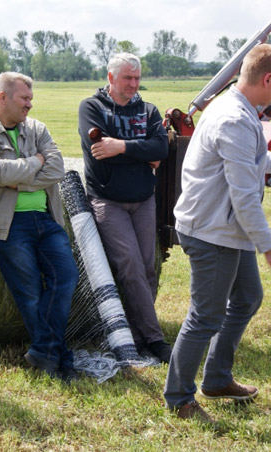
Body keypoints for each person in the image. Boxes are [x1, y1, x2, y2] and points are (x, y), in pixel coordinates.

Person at [163, 44, 271, 421]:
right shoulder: (234, 118)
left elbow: (253, 158)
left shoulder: (237, 108)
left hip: (224, 227)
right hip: (212, 231)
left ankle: (216, 378)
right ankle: (179, 398)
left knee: (247, 297)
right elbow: (244, 196)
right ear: (266, 79)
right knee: (206, 315)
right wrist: (270, 249)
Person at [0, 72, 79, 382]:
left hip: (45, 218)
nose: (30, 103)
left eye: (30, 97)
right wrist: (34, 163)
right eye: (24, 98)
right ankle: (60, 357)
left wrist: (20, 182)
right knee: (29, 291)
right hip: (5, 224)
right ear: (3, 97)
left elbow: (56, 168)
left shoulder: (37, 128)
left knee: (66, 275)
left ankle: (44, 351)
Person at [78, 53, 171, 363]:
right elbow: (97, 153)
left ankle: (136, 332)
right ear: (111, 78)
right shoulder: (92, 108)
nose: (133, 84)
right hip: (108, 200)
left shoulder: (148, 110)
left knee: (147, 267)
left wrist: (121, 146)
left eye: (136, 78)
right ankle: (155, 340)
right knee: (130, 264)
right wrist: (142, 153)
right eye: (127, 78)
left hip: (144, 199)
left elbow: (161, 148)